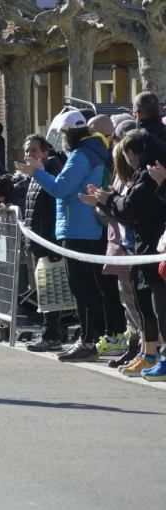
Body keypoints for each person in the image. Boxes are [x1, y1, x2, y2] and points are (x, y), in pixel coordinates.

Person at [15, 115, 125, 361]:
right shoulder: (100, 153)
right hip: (92, 227)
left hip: (79, 229)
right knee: (100, 287)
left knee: (83, 288)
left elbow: (61, 189)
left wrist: (37, 173)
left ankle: (88, 339)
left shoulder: (82, 155)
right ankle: (105, 336)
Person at [93, 131, 166, 381]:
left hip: (152, 249)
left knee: (156, 307)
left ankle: (155, 355)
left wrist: (109, 199)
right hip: (144, 247)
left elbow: (133, 209)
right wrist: (107, 201)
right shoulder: (145, 176)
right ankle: (149, 354)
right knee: (148, 306)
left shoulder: (148, 176)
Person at [18, 135, 68, 352]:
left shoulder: (51, 171)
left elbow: (53, 205)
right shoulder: (32, 176)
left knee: (51, 290)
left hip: (49, 242)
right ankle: (53, 331)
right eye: (27, 151)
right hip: (37, 242)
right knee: (45, 290)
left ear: (45, 152)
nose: (30, 155)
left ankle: (52, 335)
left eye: (34, 151)